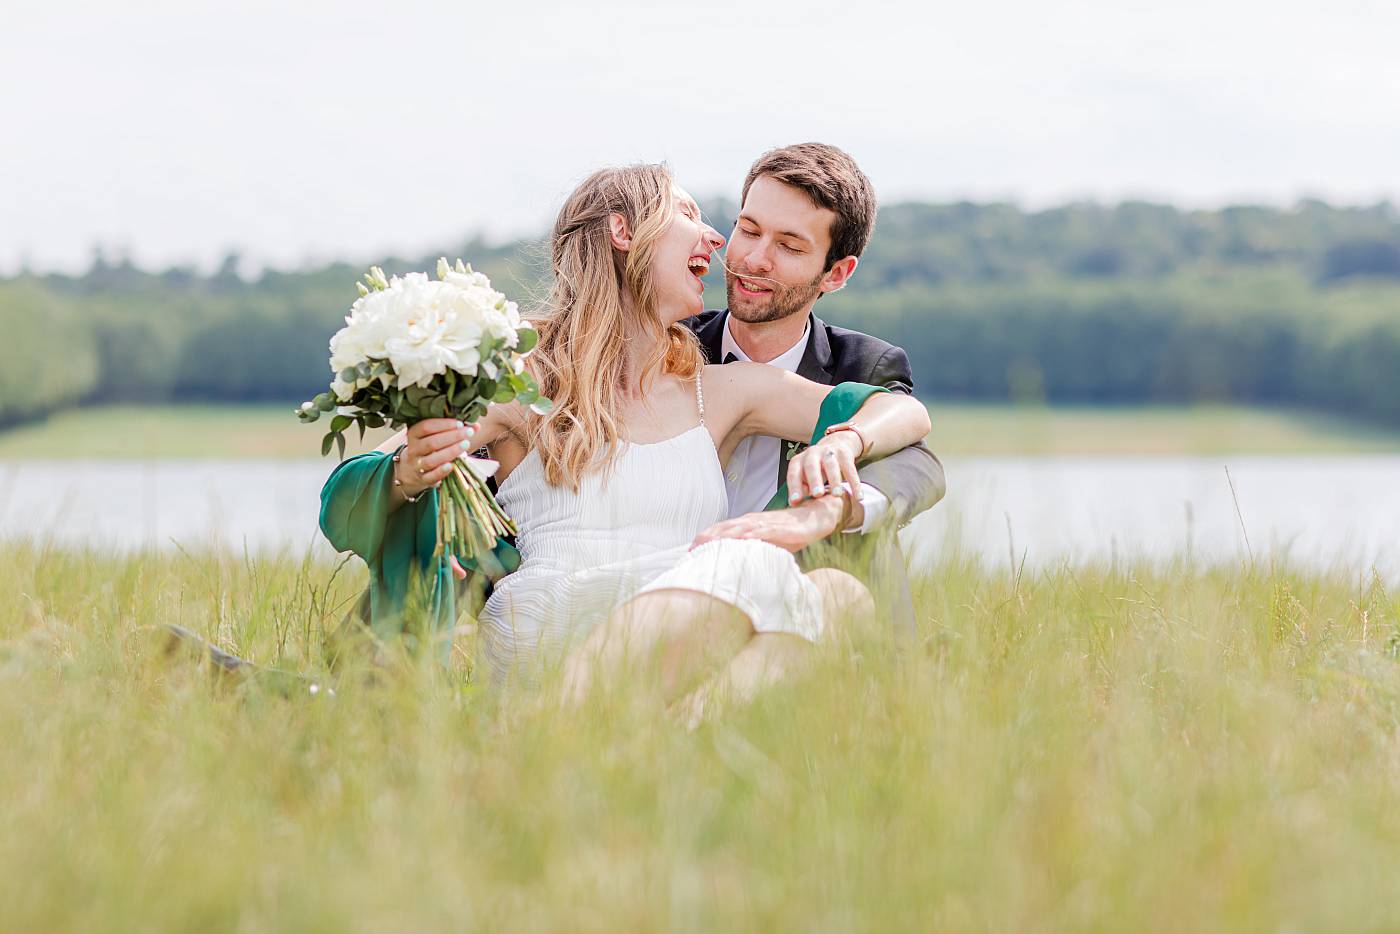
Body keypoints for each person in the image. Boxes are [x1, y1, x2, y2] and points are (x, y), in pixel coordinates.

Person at [330, 164, 930, 707]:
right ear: (623, 231)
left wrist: (843, 440)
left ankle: (643, 747)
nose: (720, 241)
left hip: (681, 622)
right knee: (749, 564)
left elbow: (903, 415)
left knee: (839, 596)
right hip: (552, 618)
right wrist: (411, 468)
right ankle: (578, 725)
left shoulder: (721, 390)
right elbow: (349, 503)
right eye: (689, 214)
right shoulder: (521, 376)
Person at [680, 143, 945, 635]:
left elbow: (915, 463)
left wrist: (842, 448)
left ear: (837, 273)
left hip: (826, 647)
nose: (755, 259)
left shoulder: (864, 366)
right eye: (748, 229)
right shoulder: (670, 348)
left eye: (790, 246)